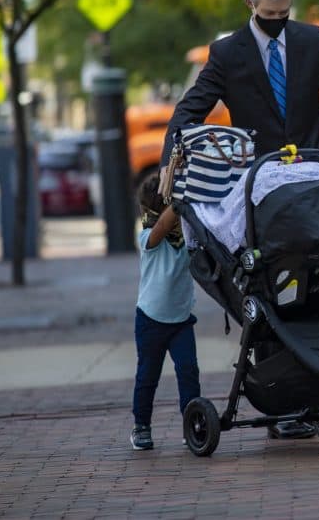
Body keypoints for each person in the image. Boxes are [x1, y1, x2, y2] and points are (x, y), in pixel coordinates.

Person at [161, 0, 319, 440]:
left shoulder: (312, 40)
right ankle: (285, 397)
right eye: (270, 15)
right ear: (250, 3)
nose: (278, 22)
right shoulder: (227, 53)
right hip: (262, 189)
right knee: (267, 284)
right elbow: (190, 109)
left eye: (285, 14)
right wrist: (171, 158)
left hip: (313, 179)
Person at [131, 174, 200, 451]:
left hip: (181, 320)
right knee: (148, 375)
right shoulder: (148, 237)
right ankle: (141, 426)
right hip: (150, 320)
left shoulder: (187, 240)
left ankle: (193, 422)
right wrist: (182, 198)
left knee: (188, 371)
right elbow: (161, 226)